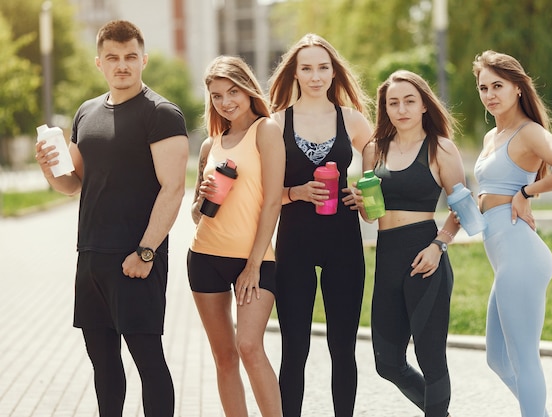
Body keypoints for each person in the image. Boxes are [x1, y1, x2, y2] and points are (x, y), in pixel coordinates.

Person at [34, 20, 188, 416]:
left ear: (144, 60)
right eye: (114, 58)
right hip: (90, 259)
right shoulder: (86, 113)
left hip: (135, 258)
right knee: (103, 364)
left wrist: (146, 252)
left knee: (148, 361)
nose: (123, 65)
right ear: (99, 62)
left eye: (131, 57)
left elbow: (173, 189)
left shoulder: (161, 114)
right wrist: (50, 171)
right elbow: (74, 183)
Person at [472, 50, 552, 417]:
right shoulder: (493, 135)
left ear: (518, 88)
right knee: (497, 359)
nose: (490, 94)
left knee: (523, 360)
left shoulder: (529, 131)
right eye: (483, 87)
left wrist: (526, 193)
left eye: (498, 86)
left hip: (521, 256)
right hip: (505, 256)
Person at [268, 33, 372, 417]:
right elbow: (264, 194)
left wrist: (365, 194)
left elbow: (380, 171)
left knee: (342, 348)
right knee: (294, 348)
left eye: (323, 67)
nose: (315, 76)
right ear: (294, 73)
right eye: (307, 68)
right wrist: (294, 192)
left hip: (344, 243)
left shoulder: (353, 120)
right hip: (293, 244)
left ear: (334, 72)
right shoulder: (276, 123)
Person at [357, 70, 463, 417]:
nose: (401, 109)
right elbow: (371, 216)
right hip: (387, 256)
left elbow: (463, 208)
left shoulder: (440, 148)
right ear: (385, 109)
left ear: (423, 106)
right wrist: (363, 206)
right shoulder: (374, 150)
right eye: (393, 103)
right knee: (387, 362)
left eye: (409, 101)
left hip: (425, 256)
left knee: (431, 359)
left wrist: (438, 245)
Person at [187, 55, 284, 417]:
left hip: (254, 259)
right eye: (216, 96)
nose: (225, 101)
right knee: (224, 356)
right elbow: (196, 214)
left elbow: (273, 201)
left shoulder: (267, 130)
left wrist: (254, 265)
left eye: (232, 91)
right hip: (205, 256)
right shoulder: (210, 145)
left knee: (248, 346)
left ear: (247, 88)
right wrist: (201, 199)